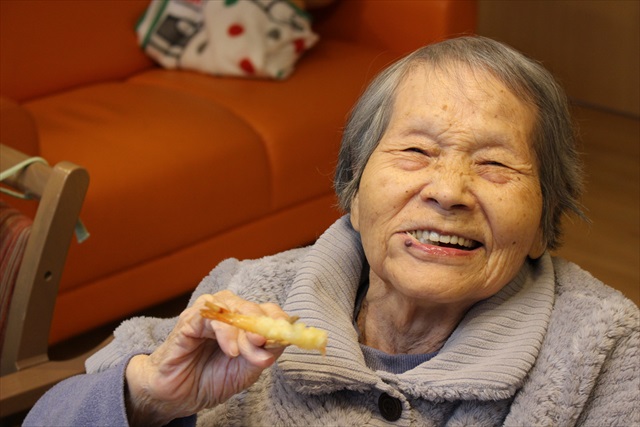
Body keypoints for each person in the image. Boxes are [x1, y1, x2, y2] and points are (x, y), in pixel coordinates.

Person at [24, 36, 638, 427]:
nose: (448, 191)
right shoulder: (248, 296)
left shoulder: (603, 352)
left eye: (496, 164)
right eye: (416, 151)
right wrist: (150, 401)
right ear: (352, 188)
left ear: (542, 223)